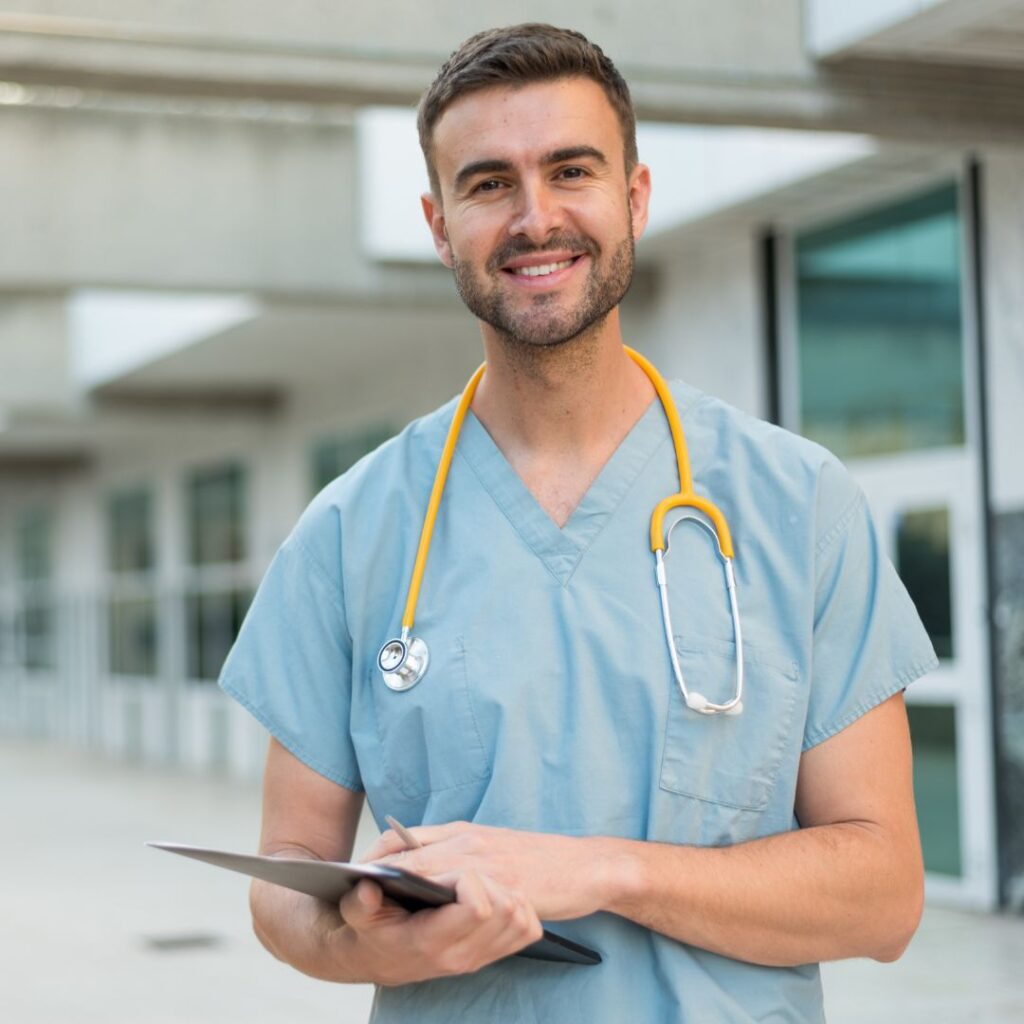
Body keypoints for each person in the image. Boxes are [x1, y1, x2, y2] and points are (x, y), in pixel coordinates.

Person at [219, 22, 938, 1023]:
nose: (534, 217)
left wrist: (601, 870)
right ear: (437, 225)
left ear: (633, 198)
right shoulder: (351, 531)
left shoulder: (797, 503)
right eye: (487, 185)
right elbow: (283, 875)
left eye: (571, 171)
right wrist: (359, 936)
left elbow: (885, 893)